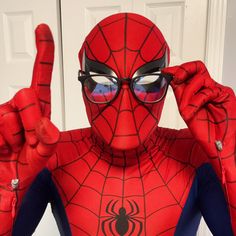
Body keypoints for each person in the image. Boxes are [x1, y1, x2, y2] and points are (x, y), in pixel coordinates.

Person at [0, 12, 235, 236]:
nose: (125, 103)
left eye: (147, 82)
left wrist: (231, 164)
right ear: (83, 83)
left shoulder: (195, 154)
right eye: (102, 83)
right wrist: (4, 188)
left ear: (167, 82)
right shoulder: (52, 157)